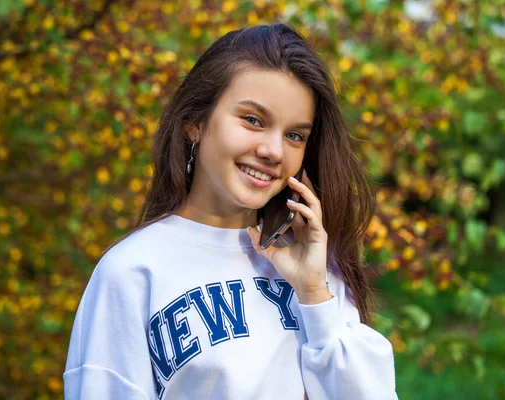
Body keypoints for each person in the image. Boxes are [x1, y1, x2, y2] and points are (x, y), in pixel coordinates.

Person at [63, 23, 398, 400]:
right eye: (253, 120)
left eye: (295, 136)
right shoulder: (132, 272)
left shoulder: (313, 266)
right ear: (195, 123)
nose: (273, 150)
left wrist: (314, 292)